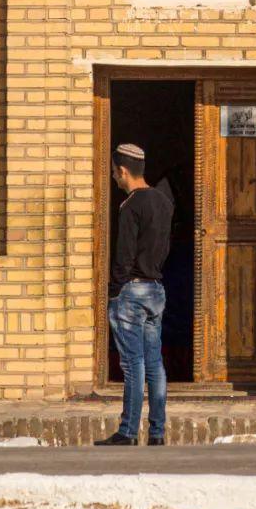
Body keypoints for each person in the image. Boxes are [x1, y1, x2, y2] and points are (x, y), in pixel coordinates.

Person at [96, 142, 173, 447]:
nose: (114, 178)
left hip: (132, 290)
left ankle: (128, 431)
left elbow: (124, 254)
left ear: (123, 171)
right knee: (154, 363)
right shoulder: (164, 201)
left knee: (133, 363)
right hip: (155, 289)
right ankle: (157, 432)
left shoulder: (130, 205)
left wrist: (115, 290)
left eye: (115, 173)